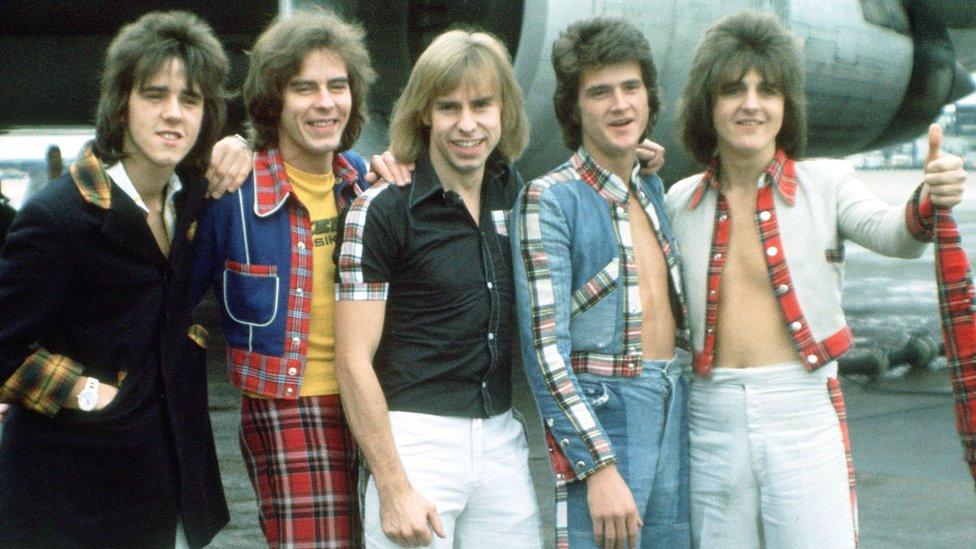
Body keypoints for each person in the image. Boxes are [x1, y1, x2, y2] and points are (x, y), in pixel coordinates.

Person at [665, 11, 968, 548]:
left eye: (768, 90)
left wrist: (928, 196)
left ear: (786, 106)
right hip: (710, 419)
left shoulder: (826, 182)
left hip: (802, 412)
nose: (752, 104)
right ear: (707, 103)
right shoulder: (677, 202)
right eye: (733, 89)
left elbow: (894, 233)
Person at [0, 11, 231, 547]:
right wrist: (85, 392)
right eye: (155, 95)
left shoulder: (194, 200)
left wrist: (239, 146)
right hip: (62, 496)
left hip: (159, 487)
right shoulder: (60, 216)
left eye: (190, 99)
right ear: (121, 103)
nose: (173, 114)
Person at [333, 29, 544, 548]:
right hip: (415, 444)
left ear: (504, 111)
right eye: (449, 107)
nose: (467, 124)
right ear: (424, 112)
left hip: (501, 440)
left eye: (482, 105)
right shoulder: (380, 211)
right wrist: (393, 485)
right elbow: (352, 361)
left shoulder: (511, 191)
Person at [190, 8, 379, 548]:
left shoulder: (368, 186)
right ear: (275, 102)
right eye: (304, 88)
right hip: (291, 408)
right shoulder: (235, 193)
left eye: (337, 86)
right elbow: (170, 299)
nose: (325, 102)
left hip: (378, 401)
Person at [511, 17, 690, 549]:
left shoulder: (652, 189)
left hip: (671, 401)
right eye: (600, 92)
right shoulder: (552, 199)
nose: (620, 105)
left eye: (631, 88)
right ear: (574, 107)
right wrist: (597, 467)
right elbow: (545, 350)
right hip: (607, 411)